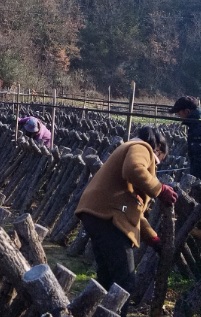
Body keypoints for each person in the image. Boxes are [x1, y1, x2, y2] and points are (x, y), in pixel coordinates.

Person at [75, 126, 177, 316]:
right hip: (107, 216)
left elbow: (133, 211)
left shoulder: (128, 148)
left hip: (98, 213)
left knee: (107, 277)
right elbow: (133, 169)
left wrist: (152, 238)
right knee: (125, 280)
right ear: (158, 150)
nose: (155, 166)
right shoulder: (142, 147)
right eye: (158, 162)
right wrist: (160, 189)